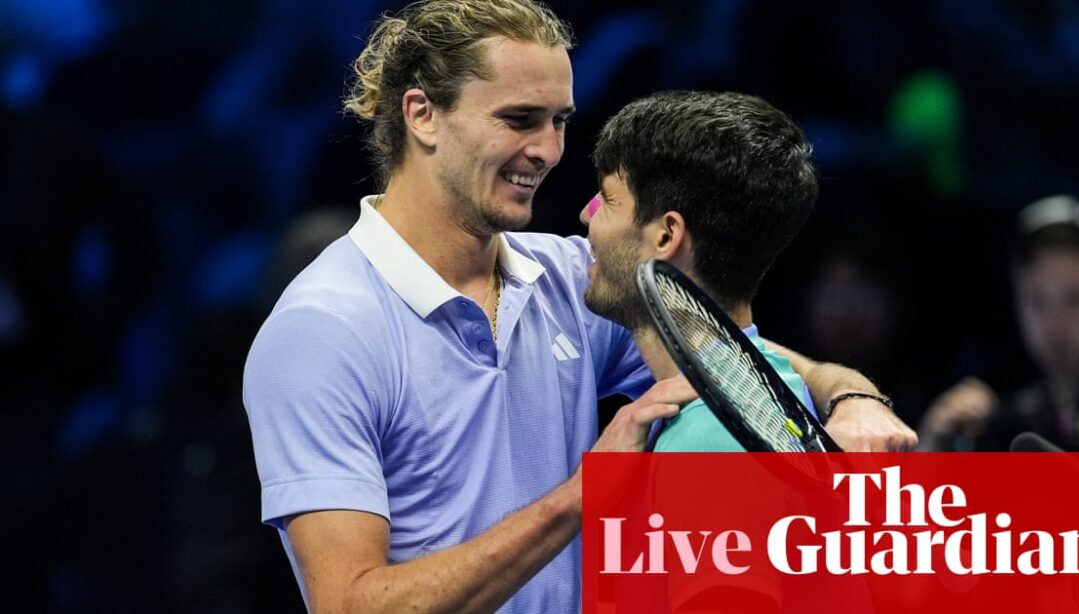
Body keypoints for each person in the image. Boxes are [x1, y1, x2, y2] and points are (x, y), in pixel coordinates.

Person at [243, 1, 914, 611]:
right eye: (519, 119)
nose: (548, 151)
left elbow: (747, 367)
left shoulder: (571, 278)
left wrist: (855, 400)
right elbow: (349, 605)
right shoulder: (322, 330)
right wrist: (580, 498)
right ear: (422, 115)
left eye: (559, 120)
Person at [578, 90, 917, 453]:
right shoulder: (773, 384)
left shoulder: (704, 442)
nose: (587, 214)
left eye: (608, 200)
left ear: (666, 235)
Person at [918, 195, 1079, 451]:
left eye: (1076, 300)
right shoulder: (1000, 425)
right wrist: (929, 456)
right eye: (1036, 301)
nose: (1055, 324)